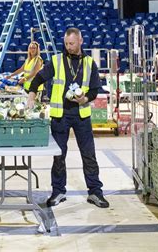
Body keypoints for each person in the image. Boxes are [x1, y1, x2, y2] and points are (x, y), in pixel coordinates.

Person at [26, 28, 109, 208]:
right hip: (60, 116)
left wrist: (85, 99)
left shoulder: (89, 63)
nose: (68, 47)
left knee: (89, 155)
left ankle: (95, 191)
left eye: (71, 43)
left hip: (81, 116)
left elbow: (95, 90)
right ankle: (58, 191)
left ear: (80, 41)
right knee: (58, 156)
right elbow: (38, 79)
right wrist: (31, 95)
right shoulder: (56, 61)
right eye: (66, 44)